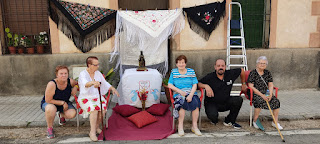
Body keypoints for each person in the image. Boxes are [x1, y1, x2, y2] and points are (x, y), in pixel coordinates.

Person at [78, 56, 120, 142]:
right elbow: (85, 84)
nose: (98, 67)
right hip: (85, 98)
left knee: (103, 110)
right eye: (95, 65)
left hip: (97, 96)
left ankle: (97, 127)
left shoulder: (97, 73)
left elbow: (105, 83)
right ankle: (92, 132)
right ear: (89, 65)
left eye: (98, 64)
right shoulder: (83, 74)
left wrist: (112, 88)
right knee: (94, 109)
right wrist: (93, 83)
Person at [198, 59, 246, 129]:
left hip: (225, 101)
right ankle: (214, 119)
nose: (220, 67)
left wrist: (243, 84)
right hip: (212, 103)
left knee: (238, 100)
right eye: (218, 66)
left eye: (222, 66)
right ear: (215, 67)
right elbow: (197, 83)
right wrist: (206, 86)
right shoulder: (210, 77)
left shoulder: (230, 74)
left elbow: (241, 70)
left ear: (225, 67)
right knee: (213, 118)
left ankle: (229, 120)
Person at [168, 55, 202, 136]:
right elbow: (170, 85)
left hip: (191, 93)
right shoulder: (174, 72)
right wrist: (180, 91)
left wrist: (190, 95)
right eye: (179, 63)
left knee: (196, 104)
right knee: (181, 104)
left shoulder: (191, 71)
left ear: (185, 63)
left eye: (183, 62)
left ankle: (194, 126)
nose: (181, 64)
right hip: (179, 94)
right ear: (176, 64)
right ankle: (180, 127)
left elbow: (195, 84)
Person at [40, 65, 77, 139]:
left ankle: (61, 114)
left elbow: (78, 83)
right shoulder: (52, 84)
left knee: (72, 114)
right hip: (50, 103)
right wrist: (62, 103)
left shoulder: (70, 81)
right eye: (61, 73)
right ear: (57, 75)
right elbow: (48, 100)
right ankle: (50, 128)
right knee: (51, 109)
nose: (64, 75)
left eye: (65, 73)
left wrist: (76, 87)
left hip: (64, 103)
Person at [247, 56, 283, 130]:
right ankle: (255, 120)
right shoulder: (253, 73)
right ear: (257, 64)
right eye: (260, 63)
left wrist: (270, 94)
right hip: (256, 93)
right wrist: (262, 95)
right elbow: (251, 86)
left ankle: (275, 122)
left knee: (276, 101)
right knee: (259, 101)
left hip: (266, 92)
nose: (262, 65)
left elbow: (270, 84)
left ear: (266, 65)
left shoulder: (267, 72)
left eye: (264, 63)